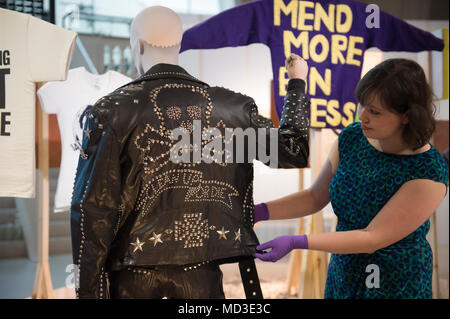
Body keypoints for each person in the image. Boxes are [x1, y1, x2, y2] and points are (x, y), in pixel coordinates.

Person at [70, 6, 311, 299]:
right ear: (180, 44)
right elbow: (293, 150)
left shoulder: (111, 111)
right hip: (203, 282)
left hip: (132, 282)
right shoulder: (233, 109)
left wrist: (89, 294)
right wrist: (297, 83)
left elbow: (93, 211)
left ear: (138, 44)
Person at [253, 58, 448, 299]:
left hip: (394, 281)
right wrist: (259, 211)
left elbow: (371, 238)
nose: (363, 116)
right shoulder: (352, 137)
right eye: (362, 105)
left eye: (374, 112)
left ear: (406, 116)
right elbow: (315, 197)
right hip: (345, 269)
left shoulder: (427, 169)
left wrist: (297, 241)